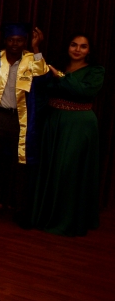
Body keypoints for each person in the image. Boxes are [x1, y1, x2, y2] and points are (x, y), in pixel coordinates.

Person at [29, 34, 104, 236]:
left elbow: (84, 92)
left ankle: (67, 220)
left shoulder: (95, 71)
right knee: (49, 168)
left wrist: (60, 77)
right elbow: (41, 79)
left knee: (68, 170)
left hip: (79, 125)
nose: (77, 49)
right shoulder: (58, 66)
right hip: (54, 122)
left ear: (89, 50)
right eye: (74, 45)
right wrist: (36, 49)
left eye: (83, 46)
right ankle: (45, 216)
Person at [0, 23, 48, 224]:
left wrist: (36, 48)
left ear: (25, 42)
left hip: (21, 119)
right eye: (11, 40)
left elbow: (43, 81)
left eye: (19, 40)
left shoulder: (31, 60)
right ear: (5, 41)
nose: (15, 44)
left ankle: (21, 209)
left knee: (21, 165)